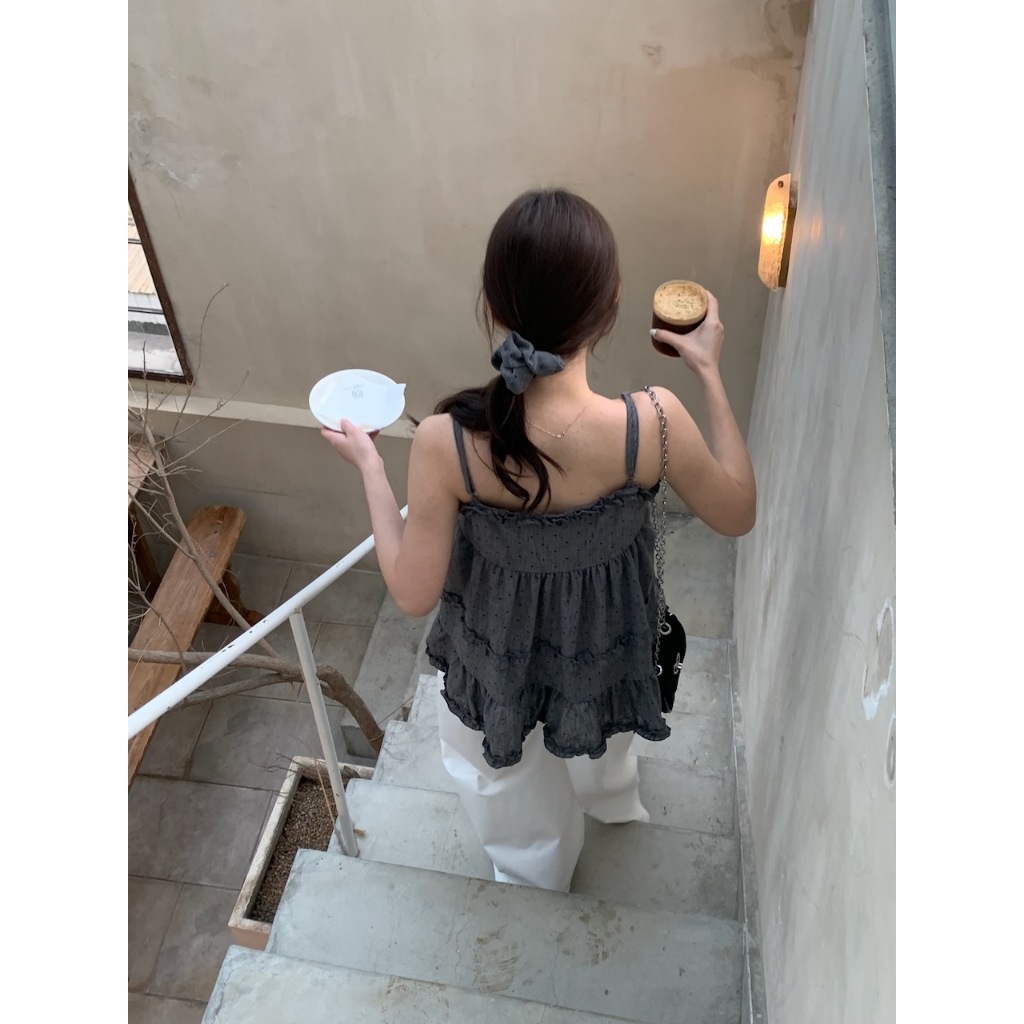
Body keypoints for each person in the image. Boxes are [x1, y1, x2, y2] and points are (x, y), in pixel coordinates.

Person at [321, 188, 755, 892]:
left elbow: (412, 593)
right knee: (603, 737)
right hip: (604, 642)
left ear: (494, 308)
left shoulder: (445, 444)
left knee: (507, 781)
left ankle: (537, 877)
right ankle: (610, 801)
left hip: (502, 659)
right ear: (612, 304)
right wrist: (707, 371)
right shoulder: (654, 423)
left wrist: (372, 468)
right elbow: (737, 511)